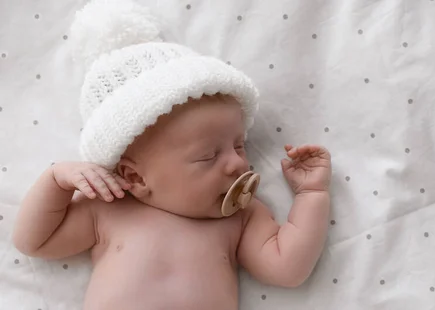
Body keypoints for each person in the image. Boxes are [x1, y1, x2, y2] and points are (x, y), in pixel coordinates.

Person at [11, 1, 331, 309]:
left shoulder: (241, 217)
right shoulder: (109, 209)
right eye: (208, 156)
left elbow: (287, 269)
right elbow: (34, 242)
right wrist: (56, 181)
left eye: (239, 146)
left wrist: (311, 195)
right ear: (135, 177)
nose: (237, 163)